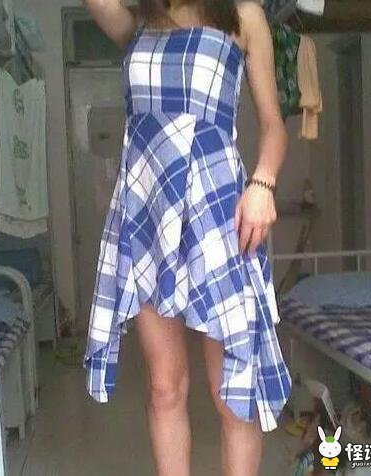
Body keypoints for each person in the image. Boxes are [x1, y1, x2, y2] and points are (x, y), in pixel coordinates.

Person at [82, 1, 292, 475]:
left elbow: (274, 126)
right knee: (164, 387)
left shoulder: (243, 16)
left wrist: (263, 183)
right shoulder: (137, 21)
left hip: (218, 211)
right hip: (148, 212)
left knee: (232, 392)